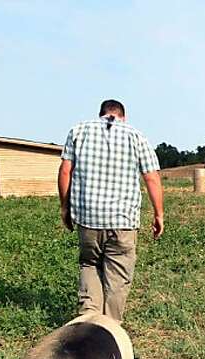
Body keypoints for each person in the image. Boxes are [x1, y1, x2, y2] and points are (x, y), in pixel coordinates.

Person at [58, 99, 163, 321]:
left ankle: (88, 319)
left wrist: (65, 208)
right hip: (123, 221)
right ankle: (111, 326)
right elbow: (151, 177)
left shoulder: (78, 131)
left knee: (90, 265)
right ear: (122, 116)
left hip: (88, 219)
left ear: (101, 114)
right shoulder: (136, 135)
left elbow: (65, 170)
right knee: (118, 277)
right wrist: (158, 214)